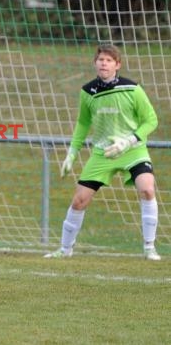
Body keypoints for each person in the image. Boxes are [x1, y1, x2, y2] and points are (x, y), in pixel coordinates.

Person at [44, 44, 160, 260]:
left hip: (132, 150)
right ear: (95, 63)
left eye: (108, 60)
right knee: (79, 200)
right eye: (100, 60)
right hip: (102, 153)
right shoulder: (88, 91)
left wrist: (128, 141)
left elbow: (151, 120)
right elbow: (82, 123)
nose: (104, 63)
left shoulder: (133, 89)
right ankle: (65, 250)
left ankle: (149, 247)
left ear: (117, 65)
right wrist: (72, 153)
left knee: (147, 189)